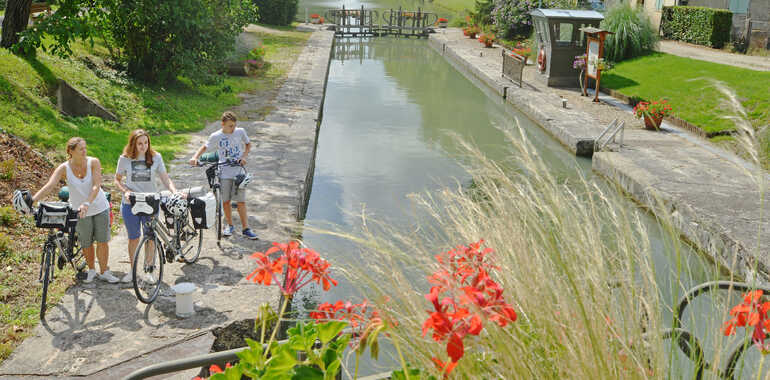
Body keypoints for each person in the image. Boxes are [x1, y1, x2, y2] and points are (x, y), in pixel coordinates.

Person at [31, 137, 117, 283]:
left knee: (102, 241)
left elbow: (96, 186)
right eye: (81, 149)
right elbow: (50, 185)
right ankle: (91, 271)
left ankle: (104, 272)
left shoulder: (93, 162)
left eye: (85, 148)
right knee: (86, 242)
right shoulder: (64, 168)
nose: (85, 151)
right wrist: (32, 200)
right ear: (71, 151)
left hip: (99, 206)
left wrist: (87, 203)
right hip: (79, 210)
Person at [115, 129, 179, 283]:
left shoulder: (156, 157)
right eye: (139, 143)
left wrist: (174, 191)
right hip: (131, 203)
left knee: (150, 236)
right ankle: (132, 271)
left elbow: (165, 178)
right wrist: (126, 191)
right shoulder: (124, 159)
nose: (143, 146)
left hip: (151, 201)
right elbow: (117, 180)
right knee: (133, 238)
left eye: (146, 143)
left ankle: (149, 269)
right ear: (133, 144)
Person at [189, 111, 258, 240]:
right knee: (225, 201)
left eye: (234, 125)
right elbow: (204, 147)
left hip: (238, 172)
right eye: (230, 126)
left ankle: (246, 228)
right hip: (224, 172)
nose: (233, 128)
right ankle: (230, 225)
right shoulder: (216, 136)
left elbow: (248, 144)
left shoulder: (240, 131)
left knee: (241, 201)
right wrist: (194, 157)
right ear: (223, 124)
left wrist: (244, 156)